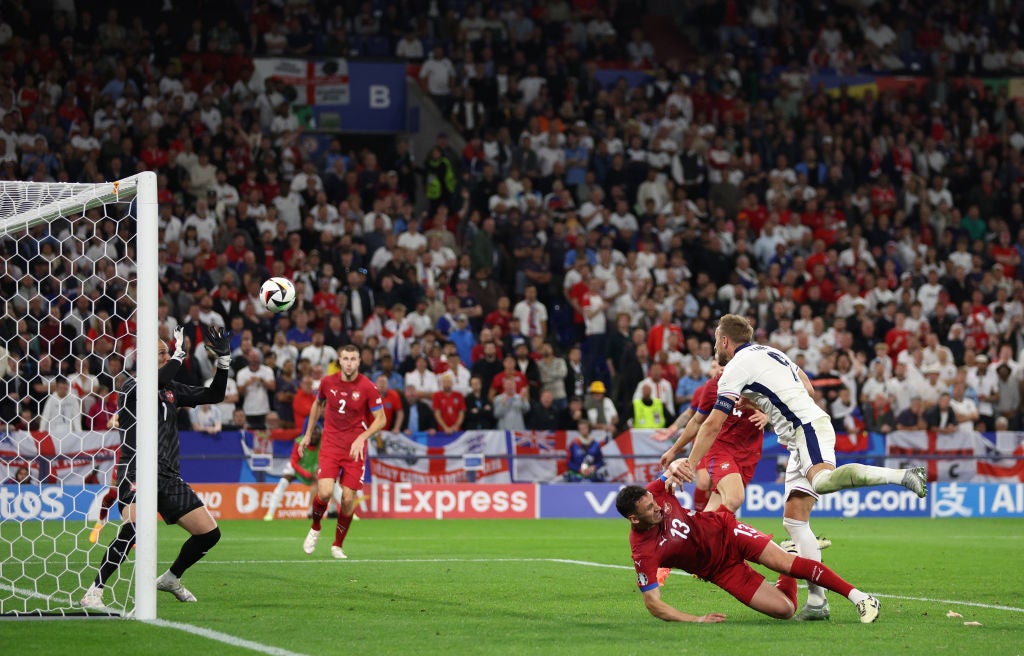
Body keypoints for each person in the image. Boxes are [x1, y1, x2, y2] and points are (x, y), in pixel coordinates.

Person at [667, 314, 926, 621]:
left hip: (807, 429)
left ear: (725, 341)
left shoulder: (734, 368)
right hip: (798, 438)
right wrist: (763, 403)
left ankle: (903, 475)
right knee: (795, 523)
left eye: (715, 341)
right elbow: (809, 389)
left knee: (824, 481)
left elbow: (712, 423)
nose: (714, 347)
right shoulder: (772, 352)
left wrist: (689, 462)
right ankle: (817, 603)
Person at [81, 323, 232, 608]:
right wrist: (178, 353)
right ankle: (94, 590)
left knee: (209, 533)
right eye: (160, 353)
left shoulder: (172, 389)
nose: (166, 357)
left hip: (168, 475)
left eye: (167, 353)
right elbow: (156, 379)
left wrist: (223, 361)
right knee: (135, 525)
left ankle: (171, 578)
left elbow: (214, 395)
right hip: (136, 470)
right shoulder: (132, 386)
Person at [616, 477, 880, 623]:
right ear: (634, 519)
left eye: (653, 502)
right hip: (720, 570)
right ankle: (790, 556)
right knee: (785, 611)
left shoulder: (655, 492)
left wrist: (677, 464)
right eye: (650, 509)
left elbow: (675, 467)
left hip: (726, 531)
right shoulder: (642, 551)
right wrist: (695, 619)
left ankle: (861, 598)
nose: (657, 507)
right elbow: (653, 603)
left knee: (784, 563)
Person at [299, 344, 386, 559]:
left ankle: (337, 545)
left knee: (347, 500)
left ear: (359, 361)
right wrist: (308, 434)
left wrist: (362, 437)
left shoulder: (367, 387)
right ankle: (316, 527)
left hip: (355, 449)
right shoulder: (328, 382)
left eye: (353, 359)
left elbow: (381, 419)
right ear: (339, 360)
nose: (349, 363)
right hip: (330, 444)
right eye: (345, 358)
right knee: (325, 492)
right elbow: (317, 405)